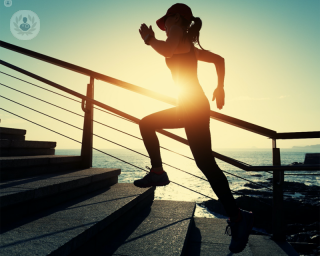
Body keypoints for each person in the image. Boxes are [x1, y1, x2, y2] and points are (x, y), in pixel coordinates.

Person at [137, 3, 254, 253]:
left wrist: (149, 38)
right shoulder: (186, 44)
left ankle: (158, 172)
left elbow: (166, 50)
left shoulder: (176, 34)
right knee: (205, 163)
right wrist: (220, 87)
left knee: (148, 124)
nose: (165, 27)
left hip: (192, 107)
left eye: (166, 22)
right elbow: (219, 59)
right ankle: (237, 217)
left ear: (176, 18)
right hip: (192, 106)